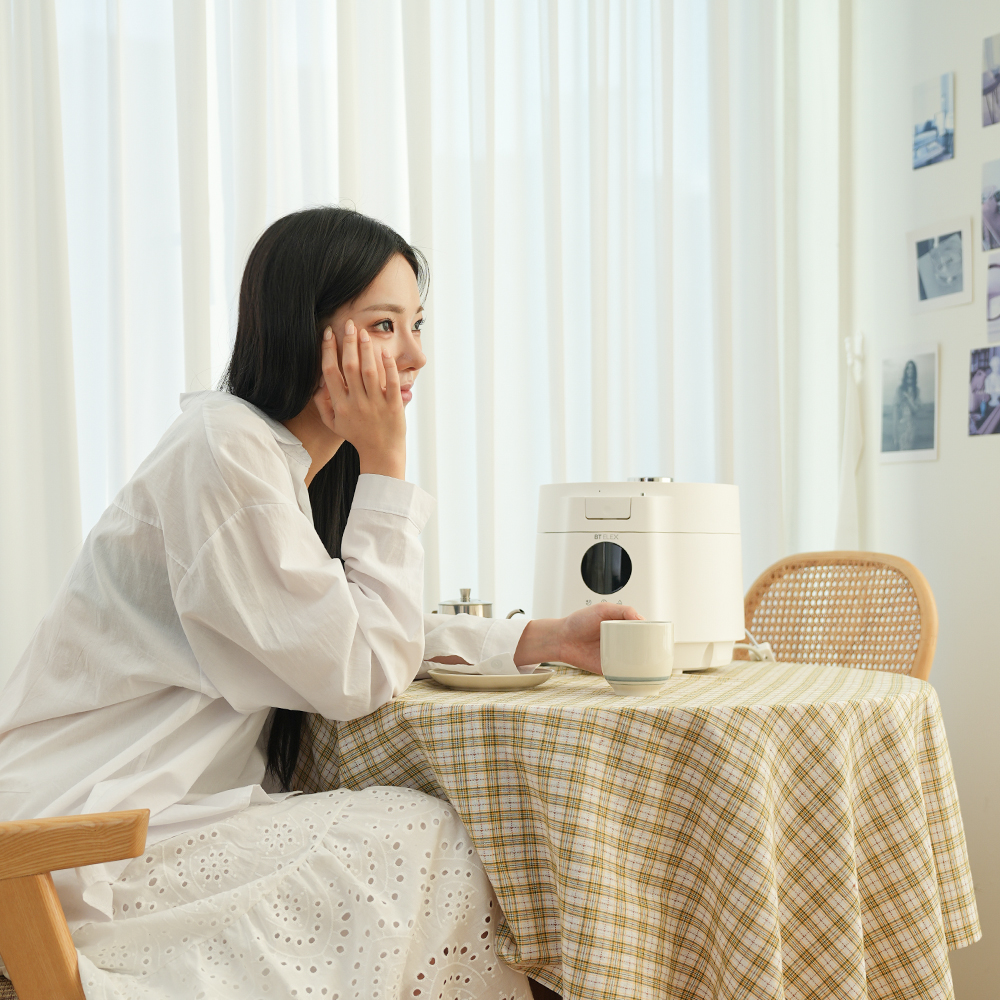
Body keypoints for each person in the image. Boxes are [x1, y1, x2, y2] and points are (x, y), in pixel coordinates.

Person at [0, 207, 638, 1000]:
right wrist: (388, 463)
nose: (415, 354)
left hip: (133, 822)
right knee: (425, 836)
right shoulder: (224, 451)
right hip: (81, 842)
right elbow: (355, 669)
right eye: (383, 325)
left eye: (415, 324)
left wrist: (539, 637)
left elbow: (330, 621)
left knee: (431, 841)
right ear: (309, 333)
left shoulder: (272, 458)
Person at [894, 359, 920, 450]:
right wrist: (895, 436)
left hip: (912, 429)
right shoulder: (900, 390)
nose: (910, 371)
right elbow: (896, 413)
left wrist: (909, 399)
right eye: (908, 369)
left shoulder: (916, 390)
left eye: (912, 369)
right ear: (906, 371)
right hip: (902, 428)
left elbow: (916, 410)